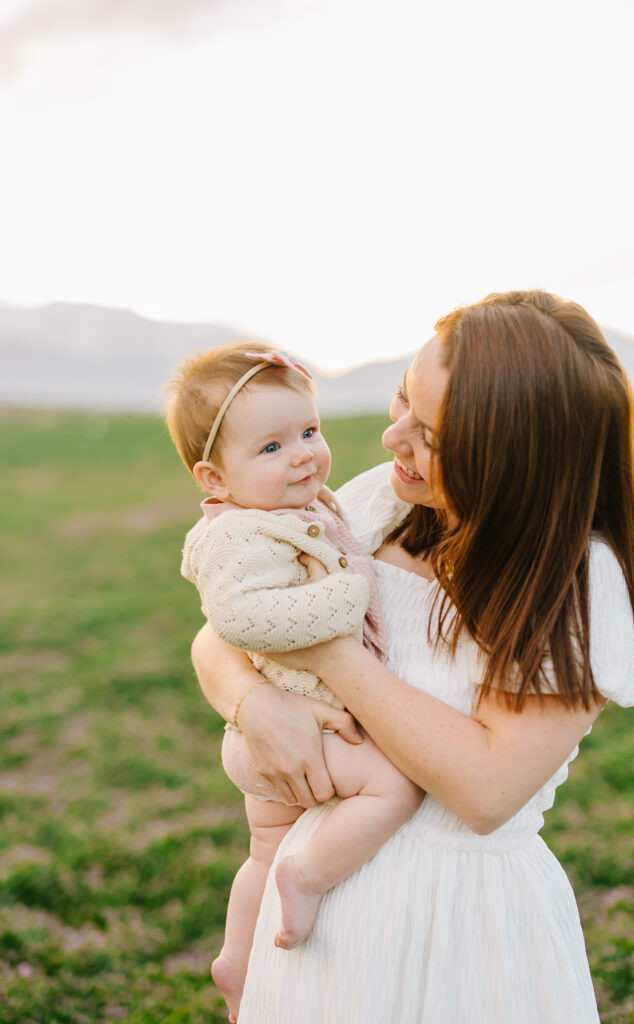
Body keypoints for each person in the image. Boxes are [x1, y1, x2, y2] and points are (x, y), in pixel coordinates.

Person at [191, 290, 634, 1023]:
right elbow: (221, 633)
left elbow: (485, 791)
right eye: (401, 402)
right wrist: (253, 704)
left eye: (431, 435)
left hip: (459, 931)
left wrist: (334, 658)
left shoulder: (575, 583)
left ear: (514, 461)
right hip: (312, 937)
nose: (391, 440)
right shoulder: (379, 502)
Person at [165, 343, 422, 1022]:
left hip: (281, 725)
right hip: (289, 725)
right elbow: (239, 618)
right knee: (394, 783)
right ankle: (309, 877)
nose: (304, 454)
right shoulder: (236, 536)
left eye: (308, 432)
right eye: (273, 447)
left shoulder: (293, 508)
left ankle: (238, 962)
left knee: (262, 847)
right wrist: (343, 595)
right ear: (215, 479)